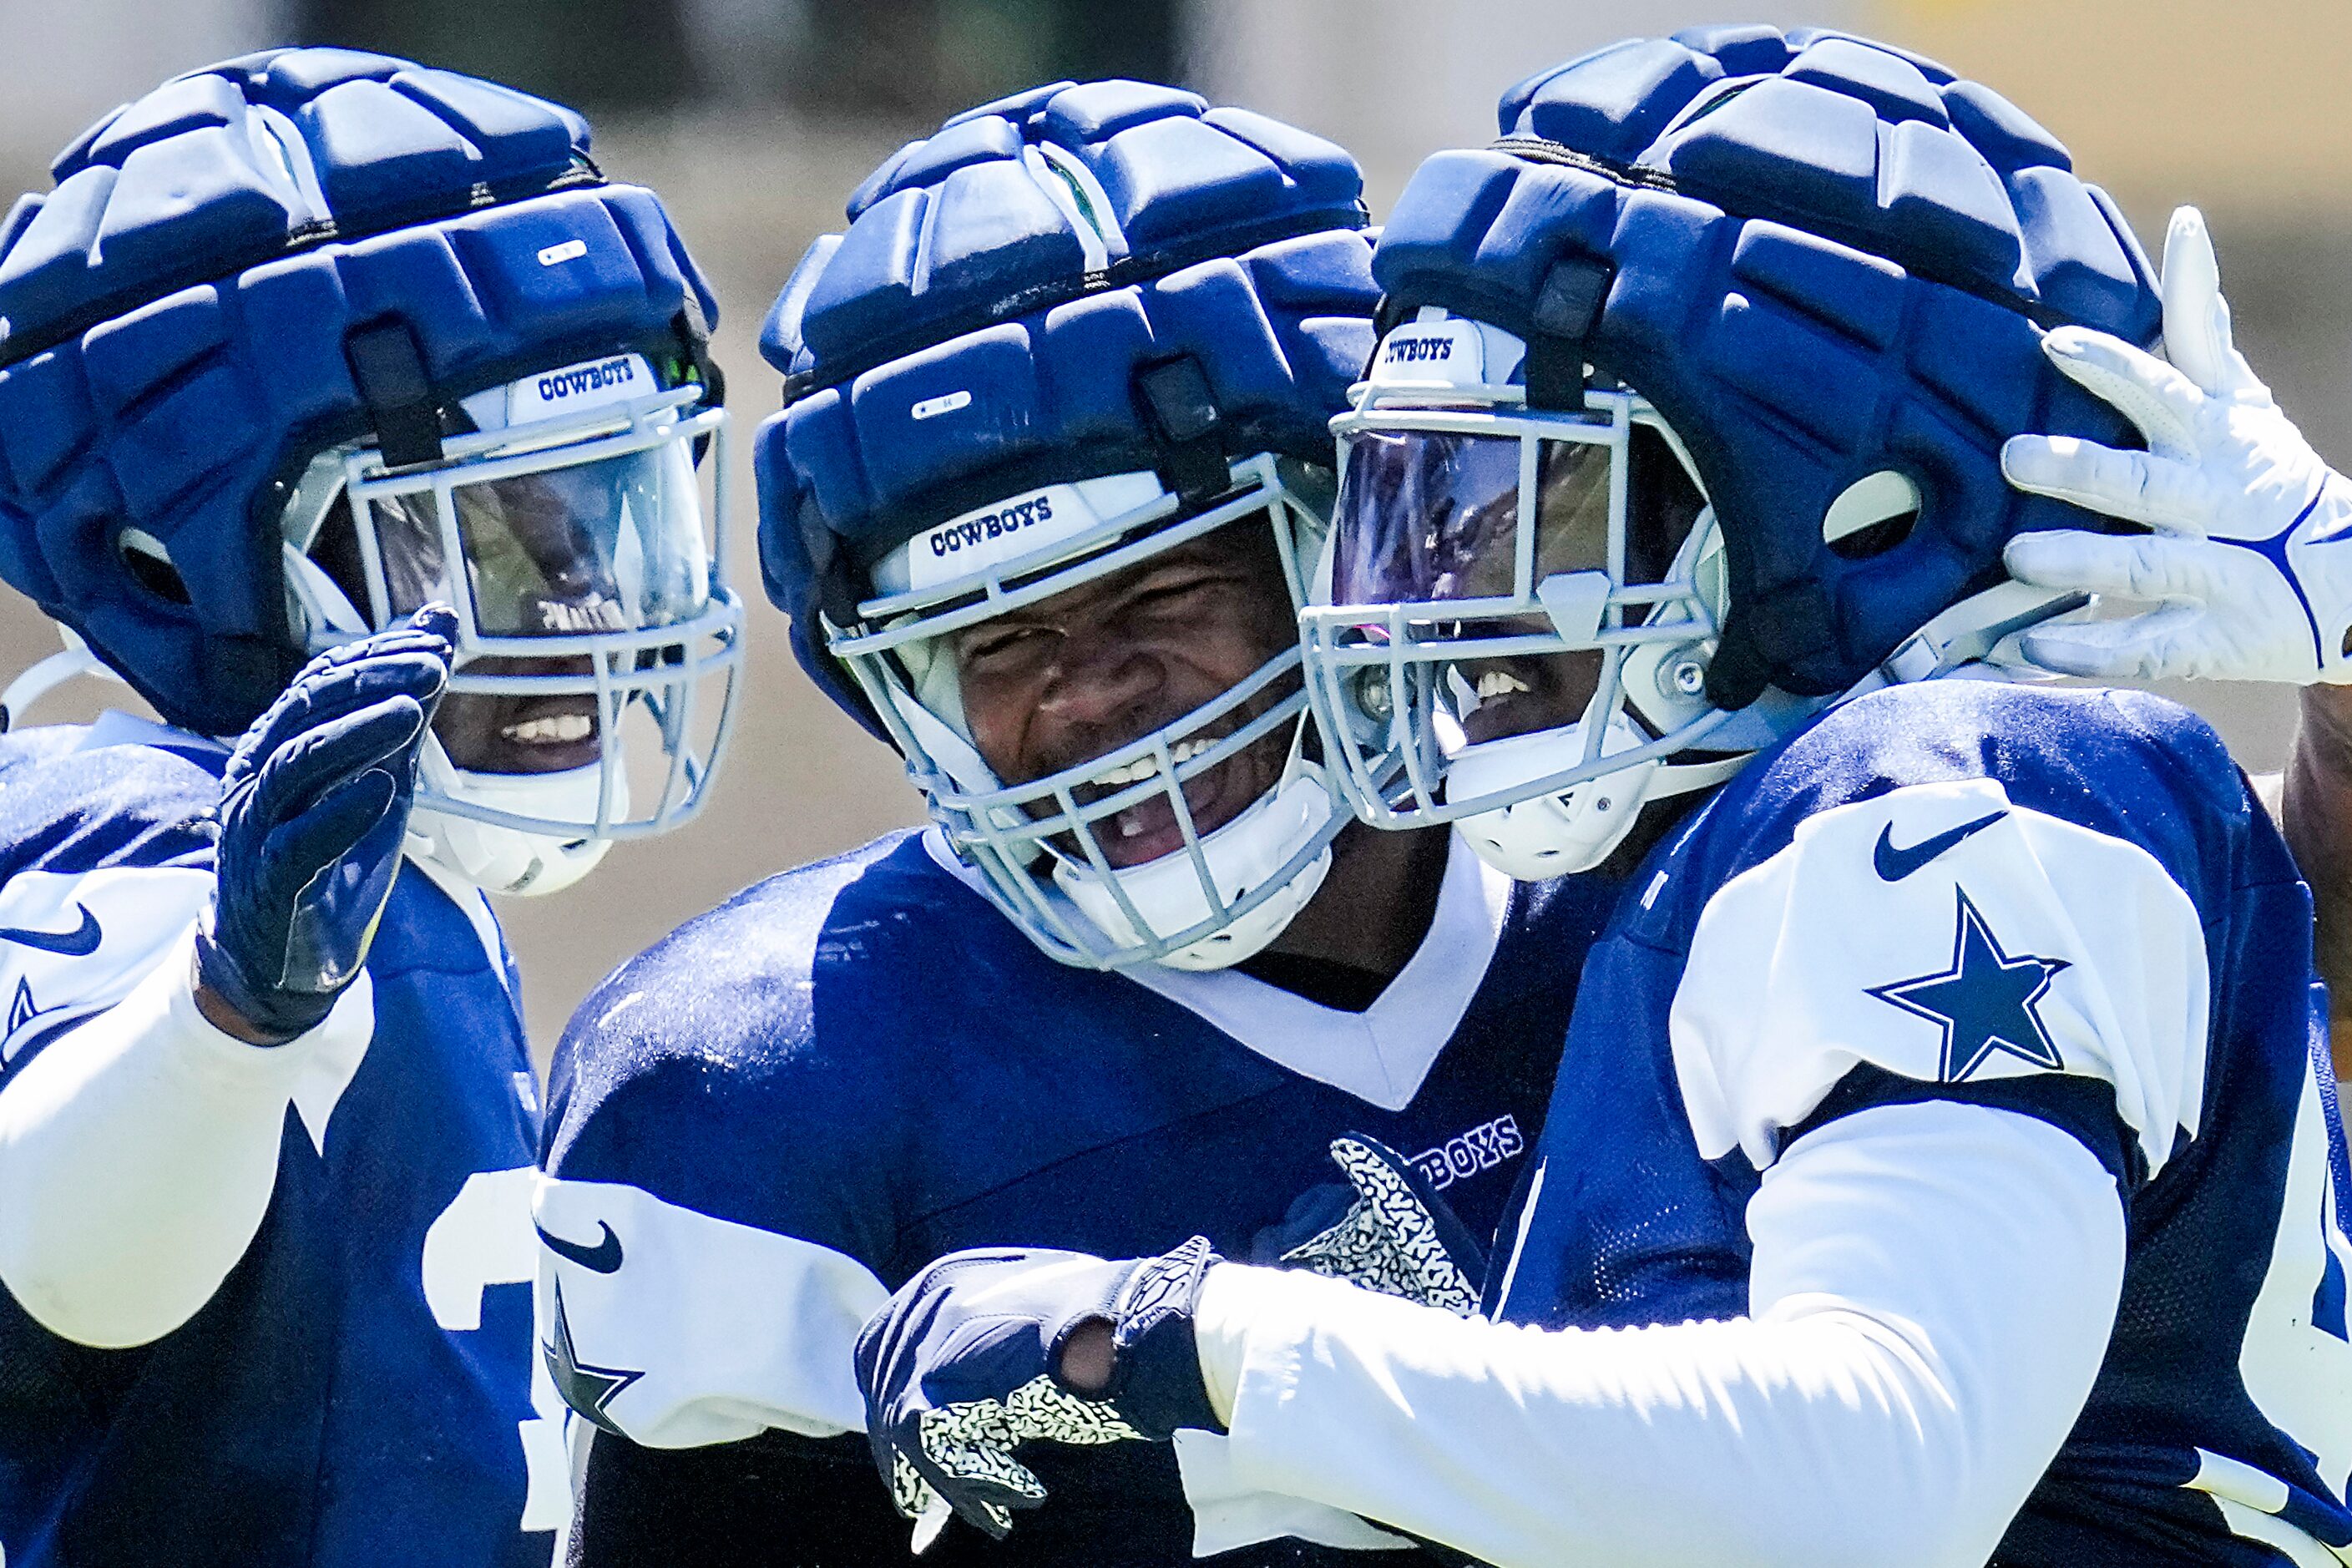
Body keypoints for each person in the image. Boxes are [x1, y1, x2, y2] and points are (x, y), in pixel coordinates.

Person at [850, 28, 2352, 1568]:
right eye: (1417, 509)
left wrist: (1200, 1339)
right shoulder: (1790, 844)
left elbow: (1872, 1482)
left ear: (1844, 512)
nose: (1436, 601)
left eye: (1519, 508)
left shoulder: (1929, 792)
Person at [536, 82, 1623, 1566]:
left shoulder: (1645, 900)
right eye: (994, 641)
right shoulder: (757, 1088)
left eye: (1165, 591)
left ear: (1359, 551)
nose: (1086, 694)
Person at [0, 48, 741, 1568]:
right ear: (171, 561)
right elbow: (59, 1255)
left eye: (604, 516)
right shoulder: (135, 822)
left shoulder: (405, 880)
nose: (588, 603)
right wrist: (224, 1020)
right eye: (500, 537)